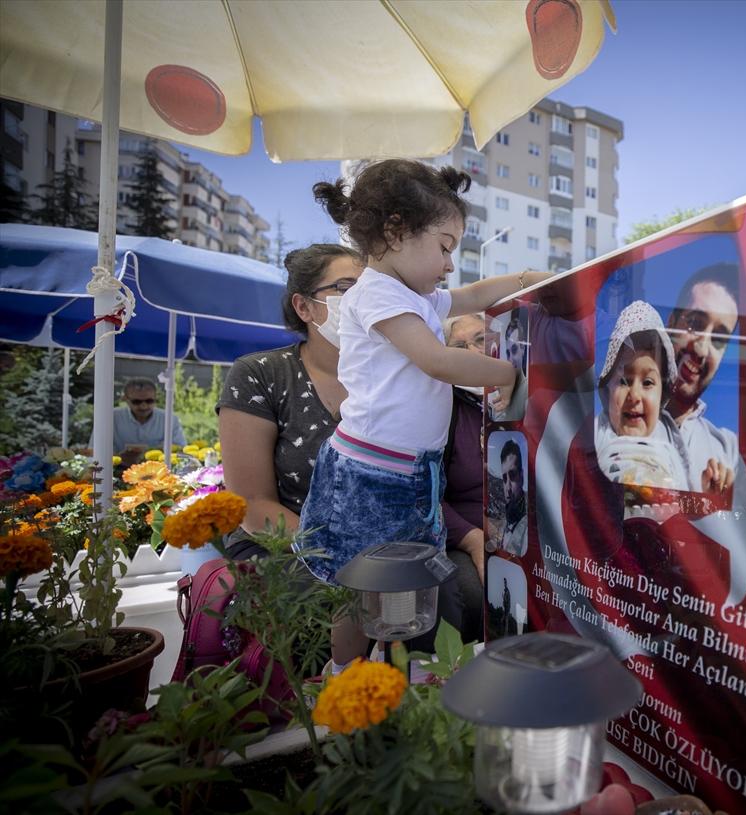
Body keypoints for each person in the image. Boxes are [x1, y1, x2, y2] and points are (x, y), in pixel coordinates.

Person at [301, 159, 551, 672]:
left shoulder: (411, 295)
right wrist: (508, 374)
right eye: (444, 247)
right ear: (396, 231)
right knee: (358, 584)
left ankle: (392, 678)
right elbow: (435, 360)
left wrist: (529, 279)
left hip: (409, 472)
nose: (450, 264)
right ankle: (343, 676)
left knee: (400, 590)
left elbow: (472, 295)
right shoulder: (375, 294)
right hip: (369, 474)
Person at [218, 244, 363, 547]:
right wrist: (333, 554)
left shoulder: (389, 378)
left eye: (371, 290)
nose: (364, 300)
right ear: (304, 307)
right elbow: (253, 502)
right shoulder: (260, 374)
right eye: (346, 288)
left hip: (375, 553)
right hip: (281, 547)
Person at [594, 300, 689, 490]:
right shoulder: (594, 441)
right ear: (607, 389)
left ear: (663, 394)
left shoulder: (670, 449)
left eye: (647, 383)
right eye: (623, 381)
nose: (635, 395)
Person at [665, 263, 740, 493]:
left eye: (718, 338)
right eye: (695, 324)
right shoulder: (611, 424)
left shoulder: (729, 451)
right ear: (670, 324)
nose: (701, 348)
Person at [441, 312, 489, 641]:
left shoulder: (529, 398)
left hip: (525, 533)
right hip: (463, 534)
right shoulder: (442, 408)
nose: (473, 352)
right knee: (470, 591)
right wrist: (473, 540)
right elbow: (423, 491)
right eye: (459, 346)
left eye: (482, 340)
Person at [92, 377, 186, 463]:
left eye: (149, 401)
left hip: (160, 471)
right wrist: (119, 456)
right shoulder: (109, 418)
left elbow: (181, 450)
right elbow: (95, 450)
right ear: (125, 399)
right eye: (136, 402)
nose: (143, 406)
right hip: (114, 471)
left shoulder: (170, 419)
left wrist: (158, 452)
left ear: (155, 398)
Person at [495, 439, 529, 557]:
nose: (508, 487)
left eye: (512, 475)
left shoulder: (530, 525)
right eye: (504, 478)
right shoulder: (506, 517)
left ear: (522, 477)